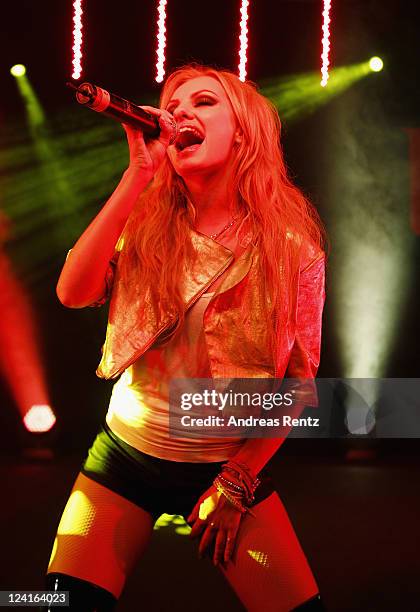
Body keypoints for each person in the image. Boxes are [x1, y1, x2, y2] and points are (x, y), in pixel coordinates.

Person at [44, 64, 327, 611]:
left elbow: (300, 382)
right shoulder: (147, 220)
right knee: (48, 603)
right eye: (173, 106)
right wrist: (136, 176)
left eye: (204, 103)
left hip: (224, 463)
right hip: (126, 454)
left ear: (244, 131)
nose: (180, 114)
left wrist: (237, 482)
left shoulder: (292, 247)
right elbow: (72, 293)